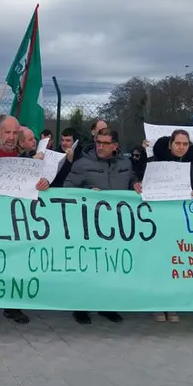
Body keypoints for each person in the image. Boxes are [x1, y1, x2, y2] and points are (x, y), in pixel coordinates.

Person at [0, 115, 51, 328]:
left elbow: (42, 183)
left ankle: (12, 307)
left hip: (16, 223)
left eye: (15, 133)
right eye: (7, 132)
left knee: (15, 264)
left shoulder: (28, 160)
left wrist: (44, 182)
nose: (11, 137)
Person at [64, 128, 136, 325]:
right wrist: (87, 191)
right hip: (89, 224)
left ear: (115, 146)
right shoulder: (82, 164)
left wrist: (136, 183)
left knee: (111, 266)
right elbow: (68, 188)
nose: (101, 146)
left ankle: (107, 305)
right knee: (87, 266)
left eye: (105, 143)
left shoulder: (125, 163)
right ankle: (80, 308)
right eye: (98, 142)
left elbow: (131, 179)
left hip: (117, 224)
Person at [135, 129, 193, 323]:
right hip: (156, 222)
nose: (181, 147)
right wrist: (137, 185)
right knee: (158, 264)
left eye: (185, 144)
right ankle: (158, 303)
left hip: (181, 224)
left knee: (177, 264)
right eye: (178, 143)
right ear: (170, 144)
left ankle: (173, 304)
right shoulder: (153, 163)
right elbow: (138, 183)